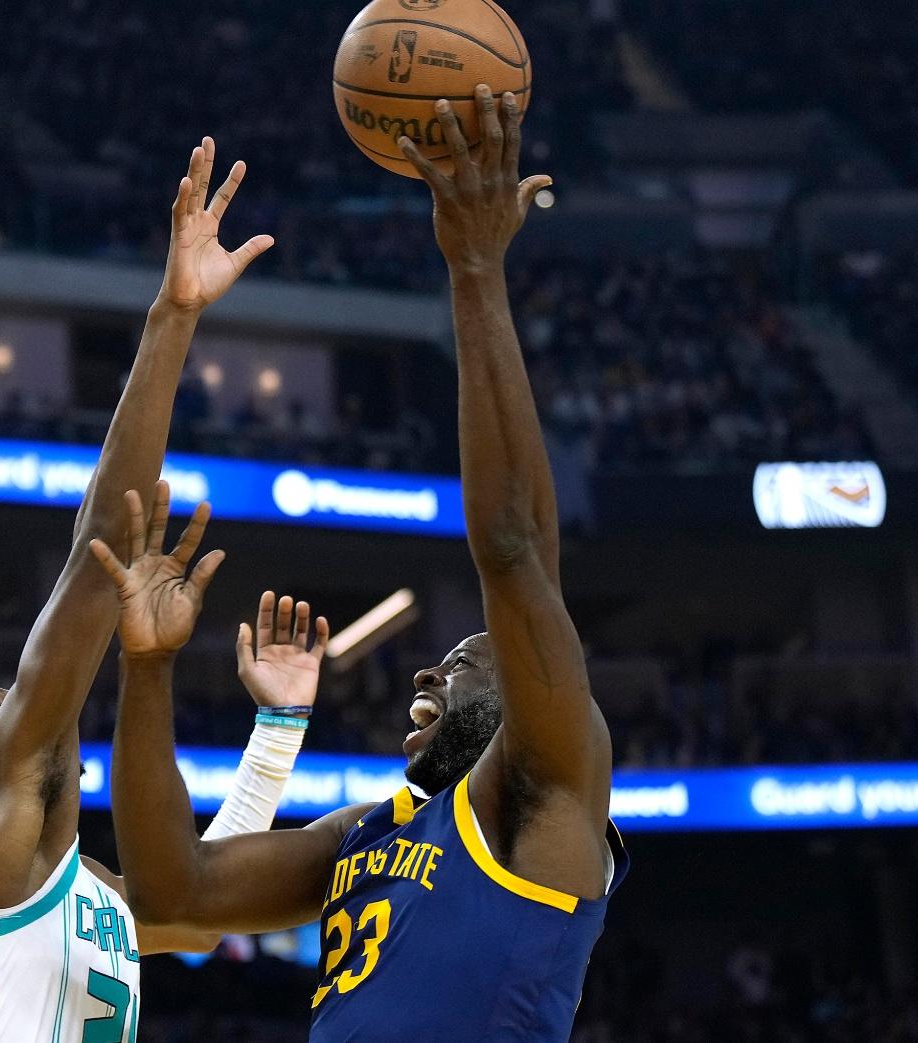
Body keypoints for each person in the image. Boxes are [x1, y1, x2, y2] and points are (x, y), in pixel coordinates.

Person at [97, 90, 624, 1041]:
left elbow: (513, 551)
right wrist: (145, 669)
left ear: (531, 690)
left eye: (465, 659)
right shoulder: (362, 834)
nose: (426, 670)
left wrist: (474, 270)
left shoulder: (548, 785)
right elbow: (167, 895)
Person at [0, 140, 302, 1043]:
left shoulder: (83, 891)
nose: (20, 705)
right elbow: (97, 556)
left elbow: (197, 904)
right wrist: (174, 315)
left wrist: (275, 733)